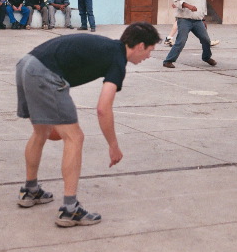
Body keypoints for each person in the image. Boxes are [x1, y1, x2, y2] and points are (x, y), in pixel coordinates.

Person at [16, 22, 161, 227]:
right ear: (139, 46)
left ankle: (30, 190)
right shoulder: (117, 59)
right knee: (75, 137)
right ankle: (69, 209)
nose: (148, 57)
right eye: (149, 51)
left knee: (41, 133)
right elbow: (103, 108)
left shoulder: (108, 48)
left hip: (26, 65)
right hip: (45, 73)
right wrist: (113, 145)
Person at [162, 0, 217, 68]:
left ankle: (206, 57)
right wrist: (188, 6)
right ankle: (168, 61)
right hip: (184, 19)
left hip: (197, 20)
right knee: (181, 41)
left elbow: (202, 4)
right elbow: (177, 0)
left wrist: (203, 19)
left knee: (206, 40)